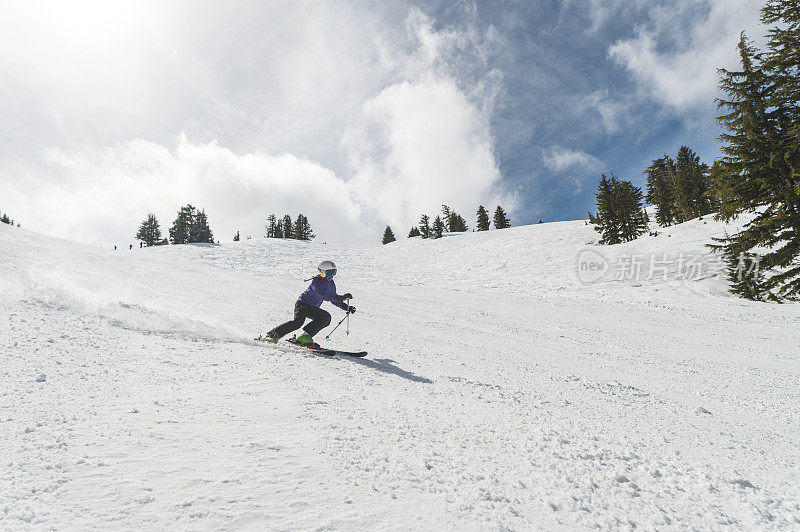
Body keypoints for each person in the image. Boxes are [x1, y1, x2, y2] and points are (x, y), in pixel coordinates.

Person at [261, 260, 355, 346]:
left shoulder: (331, 284)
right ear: (323, 272)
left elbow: (333, 298)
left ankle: (305, 337)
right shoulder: (317, 281)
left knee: (325, 317)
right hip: (303, 304)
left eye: (334, 273)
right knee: (298, 322)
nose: (332, 276)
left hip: (313, 308)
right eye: (330, 273)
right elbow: (322, 295)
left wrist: (346, 307)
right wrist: (341, 297)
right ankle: (272, 336)